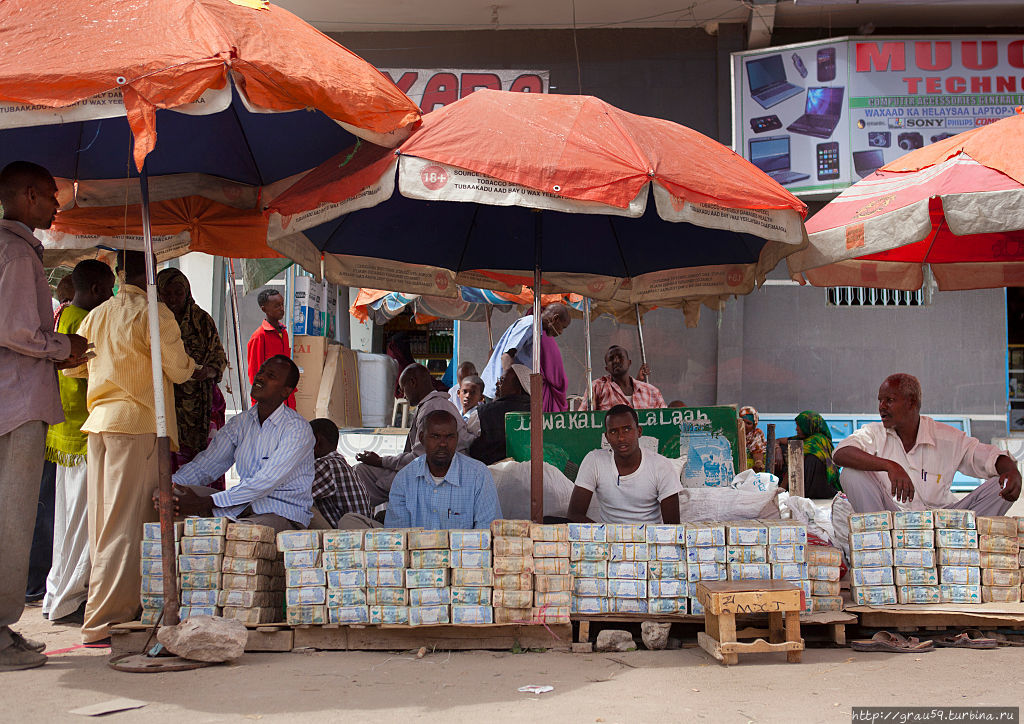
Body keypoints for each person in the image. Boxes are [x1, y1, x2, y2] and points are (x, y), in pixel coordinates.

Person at [70, 249, 197, 646]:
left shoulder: (97, 314)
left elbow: (75, 365)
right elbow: (178, 368)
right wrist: (195, 368)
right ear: (151, 272)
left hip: (100, 424)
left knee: (103, 523)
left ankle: (106, 610)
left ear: (118, 273)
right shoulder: (153, 313)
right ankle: (106, 620)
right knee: (126, 526)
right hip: (139, 423)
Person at [0, 161, 90, 671]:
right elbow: (15, 330)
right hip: (16, 403)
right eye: (53, 196)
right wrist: (64, 346)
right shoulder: (15, 252)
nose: (59, 205)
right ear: (30, 196)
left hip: (13, 399)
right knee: (12, 519)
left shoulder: (14, 250)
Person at [833, 373, 1022, 514]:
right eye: (880, 401)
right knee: (851, 473)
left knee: (1002, 485)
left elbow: (990, 457)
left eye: (889, 400)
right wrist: (890, 466)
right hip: (891, 522)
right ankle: (875, 540)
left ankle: (966, 548)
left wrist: (1012, 472)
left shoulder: (946, 437)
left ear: (911, 403)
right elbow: (841, 453)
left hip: (945, 523)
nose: (881, 407)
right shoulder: (874, 433)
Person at [43, 260, 115, 626]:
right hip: (83, 431)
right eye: (111, 290)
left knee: (66, 522)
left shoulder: (66, 317)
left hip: (65, 433)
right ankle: (70, 598)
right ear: (100, 291)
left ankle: (57, 592)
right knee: (82, 522)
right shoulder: (84, 322)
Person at [166, 356, 315, 533]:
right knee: (172, 498)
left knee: (239, 535)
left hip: (280, 514)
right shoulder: (240, 423)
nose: (260, 377)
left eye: (271, 375)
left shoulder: (297, 429)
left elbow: (264, 482)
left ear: (286, 391)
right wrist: (170, 486)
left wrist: (204, 502)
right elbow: (205, 466)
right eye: (261, 372)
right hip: (241, 507)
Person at [354, 363, 472, 507]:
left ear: (413, 382)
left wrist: (380, 461)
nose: (403, 395)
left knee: (362, 473)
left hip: (436, 473)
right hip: (431, 469)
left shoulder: (433, 408)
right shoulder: (433, 405)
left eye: (403, 389)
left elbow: (418, 459)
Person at [156, 268, 228, 473]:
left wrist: (208, 372)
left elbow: (219, 357)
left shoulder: (203, 321)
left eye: (178, 293)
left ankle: (202, 503)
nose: (173, 299)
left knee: (205, 462)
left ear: (187, 291)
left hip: (203, 404)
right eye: (166, 293)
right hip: (168, 404)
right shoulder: (155, 321)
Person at [384, 410, 501, 530]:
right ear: (422, 438)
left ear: (457, 438)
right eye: (435, 436)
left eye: (449, 437)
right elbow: (396, 537)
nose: (443, 444)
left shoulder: (478, 475)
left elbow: (487, 532)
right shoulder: (404, 479)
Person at [567, 404, 682, 524]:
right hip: (609, 540)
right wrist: (605, 535)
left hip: (648, 540)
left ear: (639, 431)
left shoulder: (661, 465)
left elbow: (673, 527)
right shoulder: (594, 460)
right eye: (613, 431)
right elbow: (574, 514)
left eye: (627, 429)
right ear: (606, 437)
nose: (621, 438)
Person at [480, 303, 571, 412]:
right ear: (555, 319)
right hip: (500, 392)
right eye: (562, 327)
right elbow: (507, 356)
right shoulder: (531, 324)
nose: (560, 332)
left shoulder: (537, 330)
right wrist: (503, 387)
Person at [309, 417, 371, 527]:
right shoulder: (339, 463)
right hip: (357, 533)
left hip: (345, 536)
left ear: (317, 442)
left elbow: (294, 492)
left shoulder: (327, 466)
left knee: (297, 505)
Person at [469, 364, 532, 465]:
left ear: (517, 388)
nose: (497, 384)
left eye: (502, 380)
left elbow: (468, 445)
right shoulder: (541, 412)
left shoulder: (483, 413)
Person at [247, 288, 294, 409]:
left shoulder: (284, 333)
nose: (282, 309)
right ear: (264, 309)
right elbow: (254, 374)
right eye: (276, 306)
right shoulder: (259, 337)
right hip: (270, 402)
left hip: (287, 398)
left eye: (282, 304)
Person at [589, 345, 665, 410]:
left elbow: (666, 421)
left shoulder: (652, 392)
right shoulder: (596, 387)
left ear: (629, 363)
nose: (616, 361)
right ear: (606, 368)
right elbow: (584, 420)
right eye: (611, 359)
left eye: (620, 357)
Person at [739, 406, 767, 473]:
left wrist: (758, 463)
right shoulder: (733, 433)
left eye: (748, 423)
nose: (744, 425)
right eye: (742, 421)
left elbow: (757, 453)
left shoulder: (756, 434)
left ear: (754, 425)